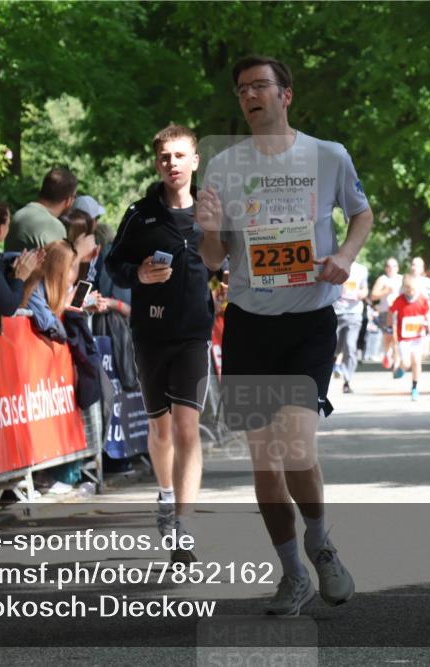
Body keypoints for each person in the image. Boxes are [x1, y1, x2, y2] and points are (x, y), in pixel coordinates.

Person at [196, 55, 372, 615]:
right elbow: (214, 258)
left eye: (261, 86)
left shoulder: (327, 156)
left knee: (296, 448)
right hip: (249, 325)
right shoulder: (222, 166)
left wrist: (344, 255)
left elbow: (361, 214)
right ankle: (292, 573)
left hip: (308, 324)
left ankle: (320, 543)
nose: (251, 96)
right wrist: (205, 230)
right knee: (265, 464)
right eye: (242, 89)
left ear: (286, 95)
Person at [105, 124, 214, 563]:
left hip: (193, 333)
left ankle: (183, 527)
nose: (172, 163)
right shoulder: (140, 213)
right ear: (158, 163)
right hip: (150, 333)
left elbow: (232, 258)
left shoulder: (212, 210)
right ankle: (165, 496)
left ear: (194, 160)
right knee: (160, 428)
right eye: (164, 156)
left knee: (188, 427)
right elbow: (113, 264)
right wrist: (138, 275)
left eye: (179, 155)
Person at [6, 168, 77, 253]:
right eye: (74, 196)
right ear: (68, 200)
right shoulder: (53, 226)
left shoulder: (19, 214)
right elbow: (61, 264)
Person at [388, 275, 430, 401]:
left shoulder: (422, 299)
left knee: (416, 361)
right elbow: (392, 313)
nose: (409, 291)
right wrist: (392, 330)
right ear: (403, 287)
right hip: (404, 338)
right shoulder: (400, 300)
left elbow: (428, 312)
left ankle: (414, 388)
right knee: (406, 364)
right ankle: (400, 369)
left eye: (411, 288)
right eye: (406, 288)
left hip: (418, 337)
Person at [332, 260, 368, 393]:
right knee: (333, 347)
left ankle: (347, 380)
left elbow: (365, 290)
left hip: (354, 313)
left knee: (350, 346)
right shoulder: (336, 265)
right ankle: (334, 365)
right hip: (336, 312)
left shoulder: (362, 269)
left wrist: (361, 294)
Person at [369, 257, 402, 370]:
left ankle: (396, 362)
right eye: (388, 266)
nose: (391, 269)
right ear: (385, 268)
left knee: (396, 337)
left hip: (399, 313)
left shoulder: (401, 279)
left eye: (393, 266)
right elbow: (373, 296)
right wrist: (386, 291)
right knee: (388, 337)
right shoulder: (382, 279)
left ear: (397, 268)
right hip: (386, 312)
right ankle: (388, 354)